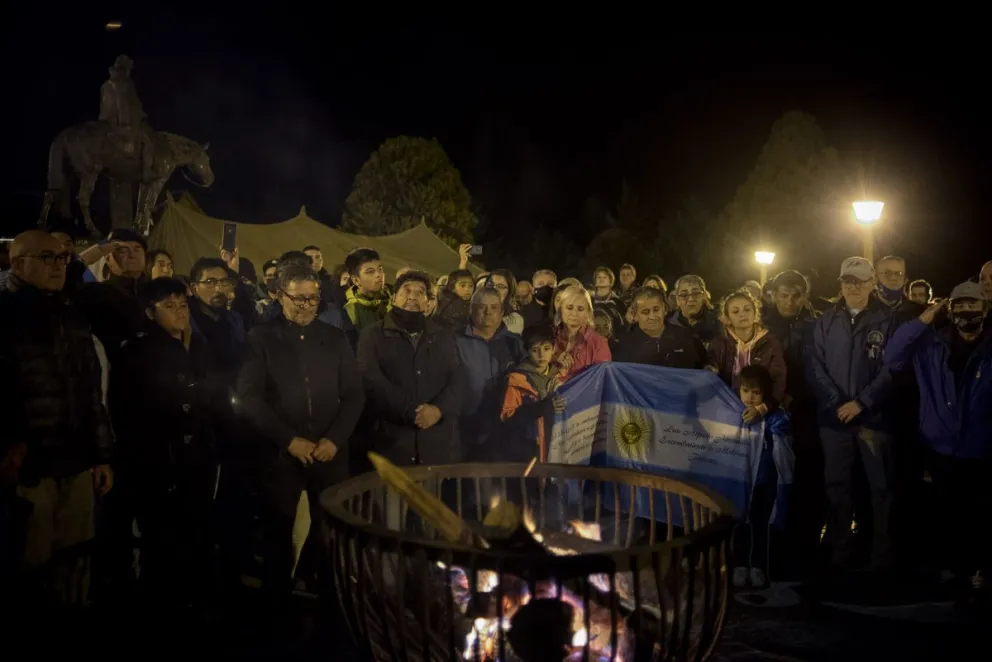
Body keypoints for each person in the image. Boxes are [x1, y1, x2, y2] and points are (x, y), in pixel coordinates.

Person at [0, 231, 113, 609]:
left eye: (63, 258)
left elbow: (90, 389)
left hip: (76, 460)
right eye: (47, 257)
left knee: (76, 556)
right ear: (18, 264)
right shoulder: (5, 314)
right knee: (30, 560)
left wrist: (101, 453)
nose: (58, 266)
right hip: (27, 466)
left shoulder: (71, 315)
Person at [238, 265, 364, 599]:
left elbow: (354, 394)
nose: (306, 305)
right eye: (299, 299)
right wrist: (288, 440)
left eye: (313, 298)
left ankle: (326, 597)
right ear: (279, 296)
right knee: (278, 529)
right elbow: (249, 398)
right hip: (281, 454)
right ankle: (276, 601)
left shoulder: (335, 338)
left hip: (329, 452)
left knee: (329, 532)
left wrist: (334, 439)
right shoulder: (261, 338)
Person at [108, 277, 213, 607]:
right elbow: (128, 413)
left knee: (194, 534)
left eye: (183, 305)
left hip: (196, 459)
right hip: (157, 463)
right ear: (150, 313)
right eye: (169, 306)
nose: (179, 312)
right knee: (161, 540)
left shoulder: (197, 345)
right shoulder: (137, 351)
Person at [885, 282, 992, 594]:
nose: (966, 313)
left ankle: (979, 570)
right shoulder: (931, 345)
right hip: (940, 445)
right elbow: (892, 356)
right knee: (946, 514)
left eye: (973, 306)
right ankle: (951, 570)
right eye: (959, 306)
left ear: (985, 310)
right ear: (950, 310)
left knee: (981, 514)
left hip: (982, 446)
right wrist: (925, 317)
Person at [807, 257, 897, 572]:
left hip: (874, 419)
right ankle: (841, 553)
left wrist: (862, 403)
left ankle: (881, 558)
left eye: (860, 280)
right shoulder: (826, 320)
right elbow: (815, 366)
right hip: (834, 421)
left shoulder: (888, 320)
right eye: (848, 280)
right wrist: (837, 403)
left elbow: (892, 369)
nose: (853, 287)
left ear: (873, 282)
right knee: (838, 487)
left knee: (880, 490)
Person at [356, 270, 464, 467]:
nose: (413, 296)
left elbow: (458, 379)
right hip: (391, 444)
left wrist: (438, 410)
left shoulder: (443, 336)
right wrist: (411, 412)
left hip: (436, 446)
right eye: (407, 291)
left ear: (428, 302)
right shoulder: (372, 335)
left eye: (420, 292)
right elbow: (371, 381)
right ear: (394, 297)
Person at [732, 365, 793, 589]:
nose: (750, 397)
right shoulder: (732, 413)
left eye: (756, 392)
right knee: (739, 523)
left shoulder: (773, 417)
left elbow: (784, 429)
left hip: (764, 480)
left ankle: (757, 566)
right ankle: (739, 564)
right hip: (741, 481)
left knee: (760, 523)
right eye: (746, 391)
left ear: (764, 393)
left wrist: (771, 414)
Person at [454, 287, 525, 459]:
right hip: (466, 431)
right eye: (481, 307)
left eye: (494, 307)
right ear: (471, 309)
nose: (488, 312)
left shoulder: (514, 343)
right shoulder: (454, 341)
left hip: (505, 431)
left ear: (502, 312)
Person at [706, 290, 787, 419]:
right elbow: (710, 372)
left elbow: (779, 379)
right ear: (727, 318)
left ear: (755, 314)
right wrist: (710, 369)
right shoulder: (719, 344)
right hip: (727, 409)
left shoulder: (771, 343)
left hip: (763, 411)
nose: (742, 314)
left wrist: (762, 408)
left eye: (747, 310)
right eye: (735, 311)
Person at [501, 323, 566, 462]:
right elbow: (508, 417)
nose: (541, 355)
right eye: (535, 350)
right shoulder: (516, 380)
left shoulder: (560, 377)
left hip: (557, 449)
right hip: (528, 452)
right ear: (527, 351)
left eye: (546, 349)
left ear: (554, 349)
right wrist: (542, 407)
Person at [614, 287, 706, 369]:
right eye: (645, 312)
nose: (652, 316)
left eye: (656, 310)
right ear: (634, 315)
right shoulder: (624, 344)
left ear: (665, 309)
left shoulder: (685, 338)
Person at [552, 285, 611, 382]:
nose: (574, 314)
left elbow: (603, 379)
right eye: (569, 307)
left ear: (588, 313)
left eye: (580, 309)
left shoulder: (599, 343)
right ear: (560, 309)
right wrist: (553, 358)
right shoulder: (548, 336)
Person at [343, 247, 390, 333]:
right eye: (370, 272)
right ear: (356, 280)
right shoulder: (350, 312)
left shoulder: (394, 300)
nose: (378, 275)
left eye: (380, 269)